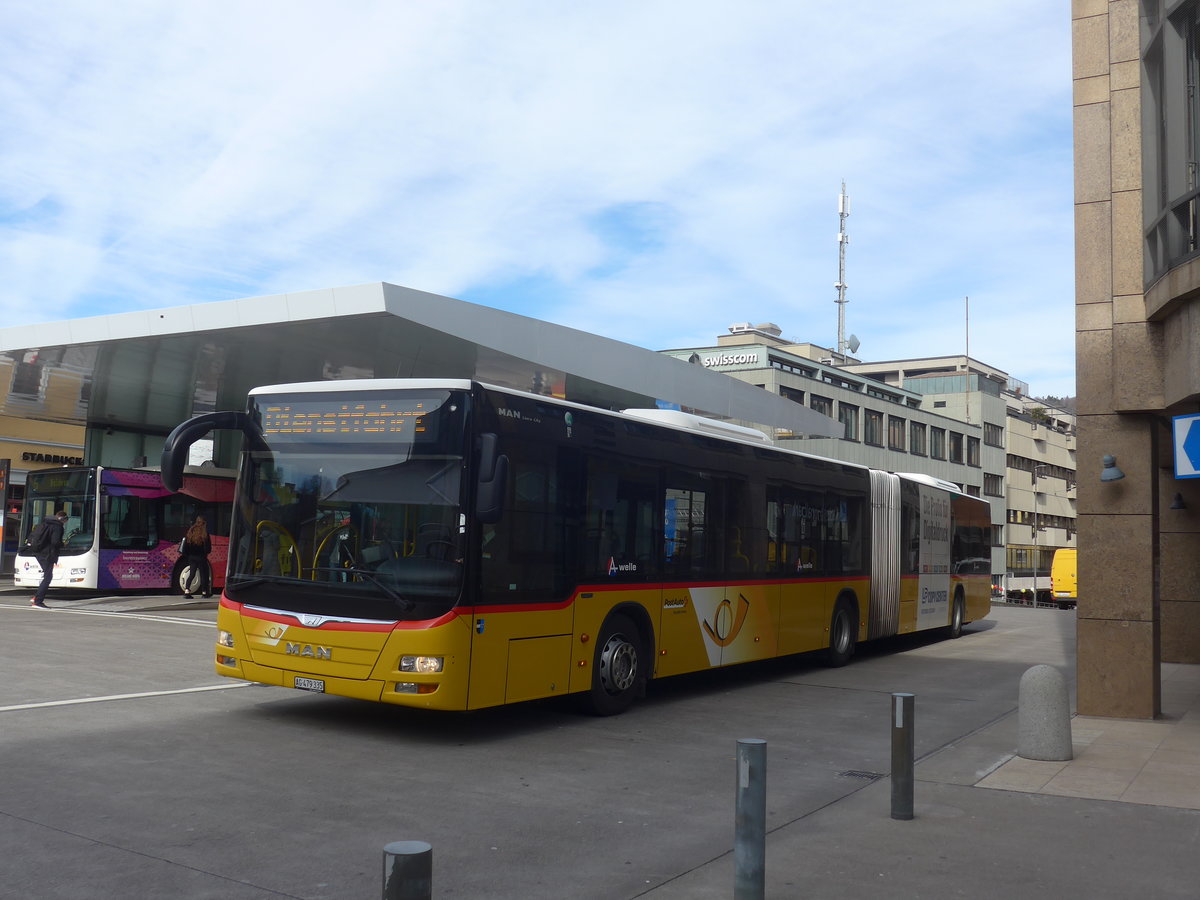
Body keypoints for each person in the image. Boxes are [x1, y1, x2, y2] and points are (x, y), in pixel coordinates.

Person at [30, 508, 67, 608]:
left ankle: (36, 597)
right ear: (63, 519)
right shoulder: (58, 527)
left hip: (38, 552)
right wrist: (62, 544)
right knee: (48, 577)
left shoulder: (44, 523)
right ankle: (38, 601)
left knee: (46, 575)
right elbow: (55, 542)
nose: (65, 523)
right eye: (65, 521)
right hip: (48, 554)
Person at [180, 515, 213, 598]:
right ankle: (204, 592)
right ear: (204, 523)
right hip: (201, 557)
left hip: (191, 557)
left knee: (192, 573)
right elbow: (208, 548)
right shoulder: (204, 534)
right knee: (203, 574)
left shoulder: (191, 532)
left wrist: (188, 555)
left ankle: (187, 591)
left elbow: (186, 546)